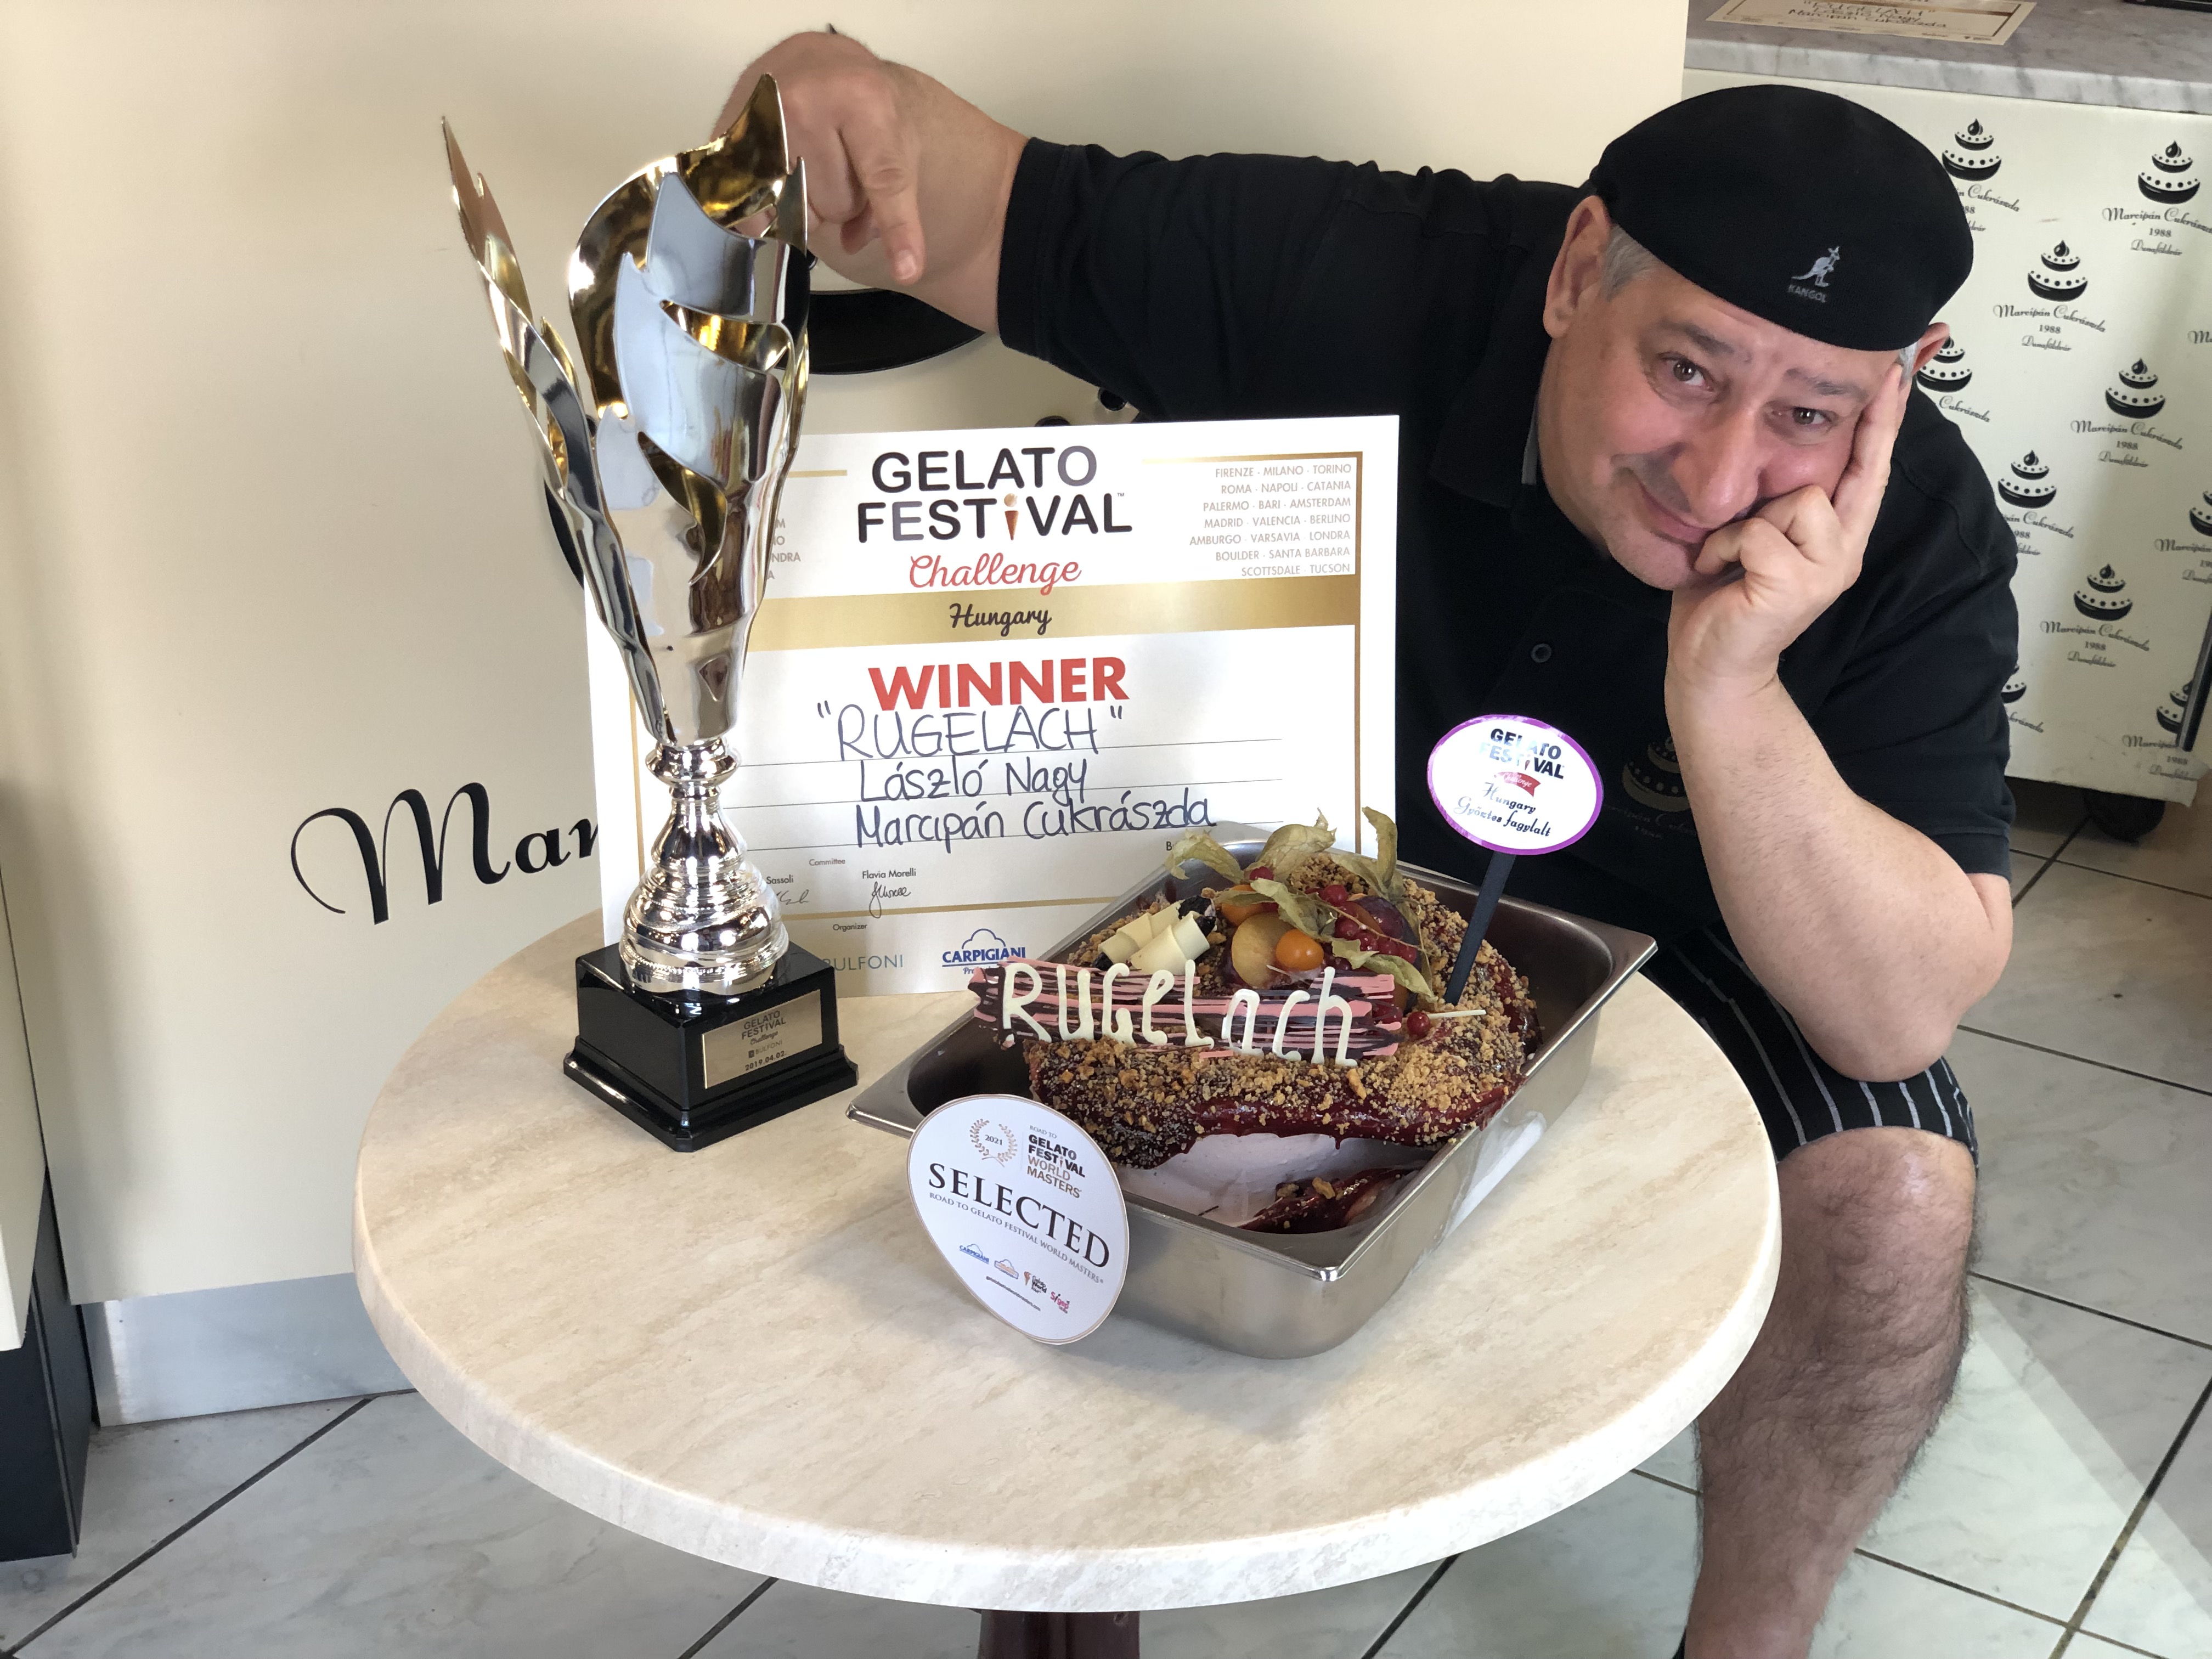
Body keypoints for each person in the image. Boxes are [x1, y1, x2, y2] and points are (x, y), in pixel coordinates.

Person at [726, 33, 2017, 1659]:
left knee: (1896, 1199)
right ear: (1578, 269)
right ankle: (1071, 1601)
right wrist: (824, 88)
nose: (1721, 474)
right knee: (1052, 1061)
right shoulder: (1355, 272)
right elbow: (958, 198)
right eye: (1685, 370)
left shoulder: (1919, 527)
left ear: (1900, 386)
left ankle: (1749, 1643)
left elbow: (1898, 1014)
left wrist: (1733, 685)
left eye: (1811, 410)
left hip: (1700, 944)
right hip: (1286, 894)